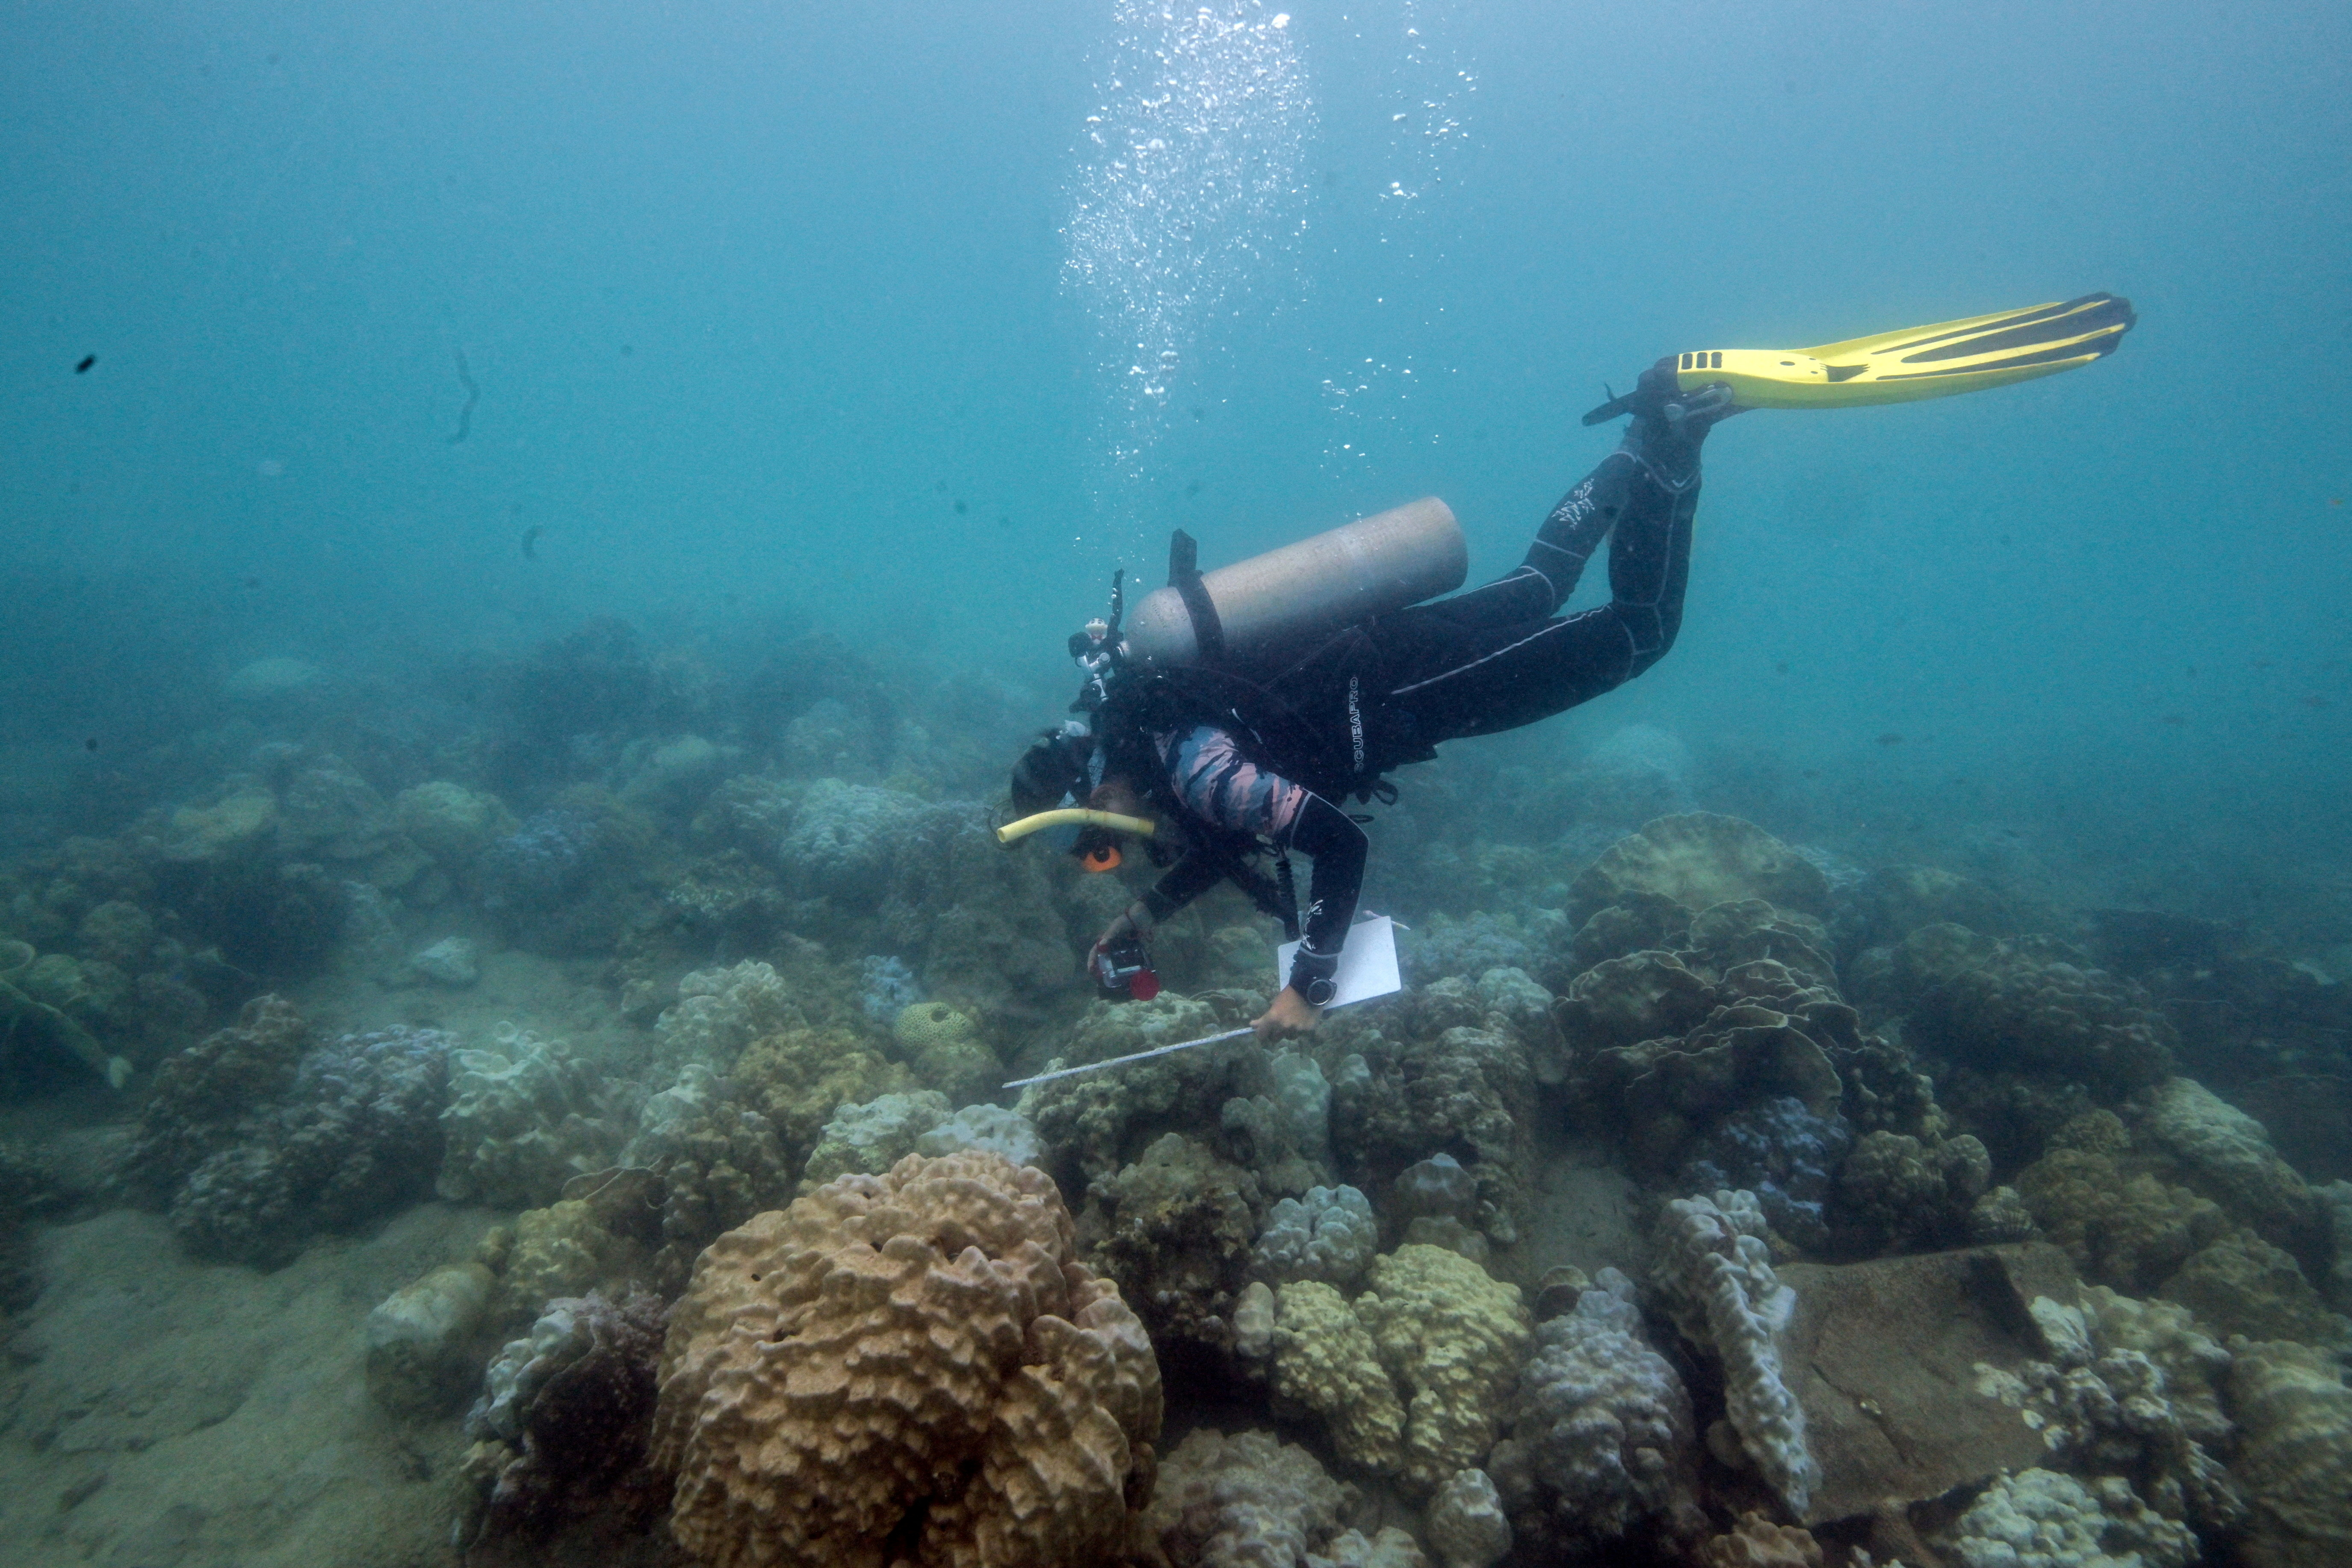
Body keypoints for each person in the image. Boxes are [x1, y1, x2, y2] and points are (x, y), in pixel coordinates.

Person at [1010, 357, 1740, 1039]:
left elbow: (1337, 840)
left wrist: (1309, 986)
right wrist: (1146, 912)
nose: (1117, 858)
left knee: (1640, 635)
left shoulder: (1194, 769)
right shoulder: (1159, 731)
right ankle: (1644, 436)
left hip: (1416, 691)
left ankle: (1676, 439)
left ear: (1101, 791)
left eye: (1102, 851)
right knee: (1537, 584)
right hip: (1386, 646)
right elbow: (1227, 836)